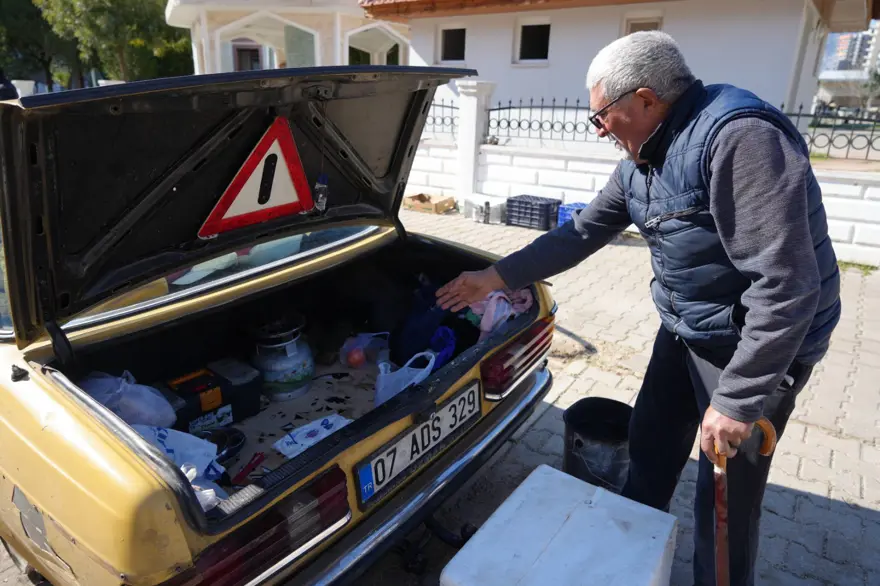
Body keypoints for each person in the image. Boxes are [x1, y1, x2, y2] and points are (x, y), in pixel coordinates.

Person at [436, 31, 840, 586]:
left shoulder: (740, 140)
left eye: (601, 115)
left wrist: (739, 401)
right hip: (684, 331)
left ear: (647, 100)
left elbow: (789, 286)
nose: (599, 129)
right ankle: (630, 568)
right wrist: (493, 277)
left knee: (722, 508)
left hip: (755, 348)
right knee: (648, 455)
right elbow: (578, 234)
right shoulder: (641, 158)